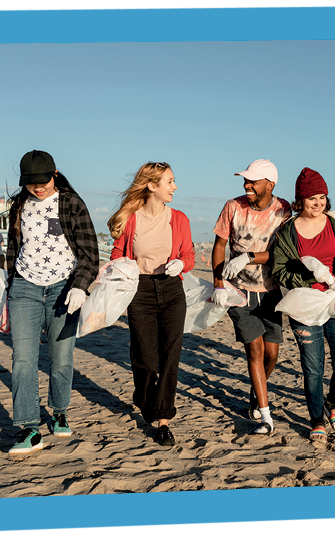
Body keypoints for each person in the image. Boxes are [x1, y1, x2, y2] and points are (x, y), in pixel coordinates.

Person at [5, 150, 99, 454]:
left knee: (61, 359)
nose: (37, 187)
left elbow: (90, 254)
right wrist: (8, 290)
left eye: (42, 180)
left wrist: (80, 287)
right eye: (30, 182)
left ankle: (59, 411)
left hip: (63, 290)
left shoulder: (71, 203)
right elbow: (11, 251)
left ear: (54, 174)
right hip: (24, 288)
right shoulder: (18, 205)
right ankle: (29, 428)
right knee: (22, 360)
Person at [272, 167, 335, 443]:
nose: (318, 203)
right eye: (312, 198)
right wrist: (310, 276)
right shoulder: (288, 232)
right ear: (300, 200)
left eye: (322, 197)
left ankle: (333, 403)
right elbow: (279, 270)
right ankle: (316, 419)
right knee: (313, 369)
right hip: (305, 307)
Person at [108, 162, 195, 447]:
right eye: (170, 181)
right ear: (152, 185)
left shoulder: (179, 218)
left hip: (172, 289)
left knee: (170, 355)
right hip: (140, 290)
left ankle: (164, 421)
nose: (175, 186)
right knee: (144, 357)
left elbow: (190, 254)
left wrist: (182, 263)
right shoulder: (131, 218)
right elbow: (117, 255)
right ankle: (145, 398)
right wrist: (119, 273)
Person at [211, 159, 291, 435]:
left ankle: (256, 392)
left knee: (271, 355)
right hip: (239, 292)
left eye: (253, 181)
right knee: (255, 351)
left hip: (271, 291)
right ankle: (266, 417)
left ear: (270, 184)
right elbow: (220, 245)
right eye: (245, 180)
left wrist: (249, 257)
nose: (247, 185)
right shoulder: (233, 207)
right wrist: (219, 283)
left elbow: (283, 254)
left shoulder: (284, 211)